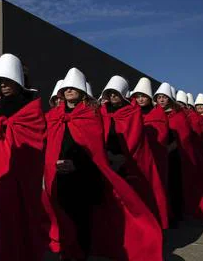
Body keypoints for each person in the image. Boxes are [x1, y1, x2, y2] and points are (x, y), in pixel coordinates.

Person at [43, 68, 162, 261]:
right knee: (63, 216)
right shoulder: (54, 116)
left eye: (73, 88)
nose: (69, 91)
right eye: (66, 88)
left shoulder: (91, 115)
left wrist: (78, 165)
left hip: (83, 175)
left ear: (82, 91)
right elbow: (48, 144)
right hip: (59, 174)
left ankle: (81, 254)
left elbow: (94, 148)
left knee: (82, 219)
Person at [0, 53, 47, 261]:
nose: (4, 85)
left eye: (8, 80)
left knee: (20, 225)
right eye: (0, 81)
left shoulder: (31, 111)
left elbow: (36, 145)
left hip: (21, 181)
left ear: (19, 81)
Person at [100, 75, 167, 229]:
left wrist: (121, 158)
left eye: (116, 93)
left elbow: (134, 137)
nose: (113, 96)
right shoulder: (103, 112)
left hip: (127, 161)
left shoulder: (132, 112)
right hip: (107, 160)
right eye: (110, 93)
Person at [155, 84, 203, 221]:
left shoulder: (179, 116)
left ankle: (176, 214)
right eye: (159, 97)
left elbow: (184, 137)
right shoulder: (155, 113)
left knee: (174, 184)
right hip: (159, 155)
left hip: (175, 155)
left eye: (164, 97)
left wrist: (170, 148)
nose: (161, 100)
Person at [131, 77, 169, 228]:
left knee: (153, 193)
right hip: (135, 159)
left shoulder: (158, 114)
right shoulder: (131, 113)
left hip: (153, 159)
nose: (140, 99)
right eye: (138, 96)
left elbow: (161, 139)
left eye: (143, 96)